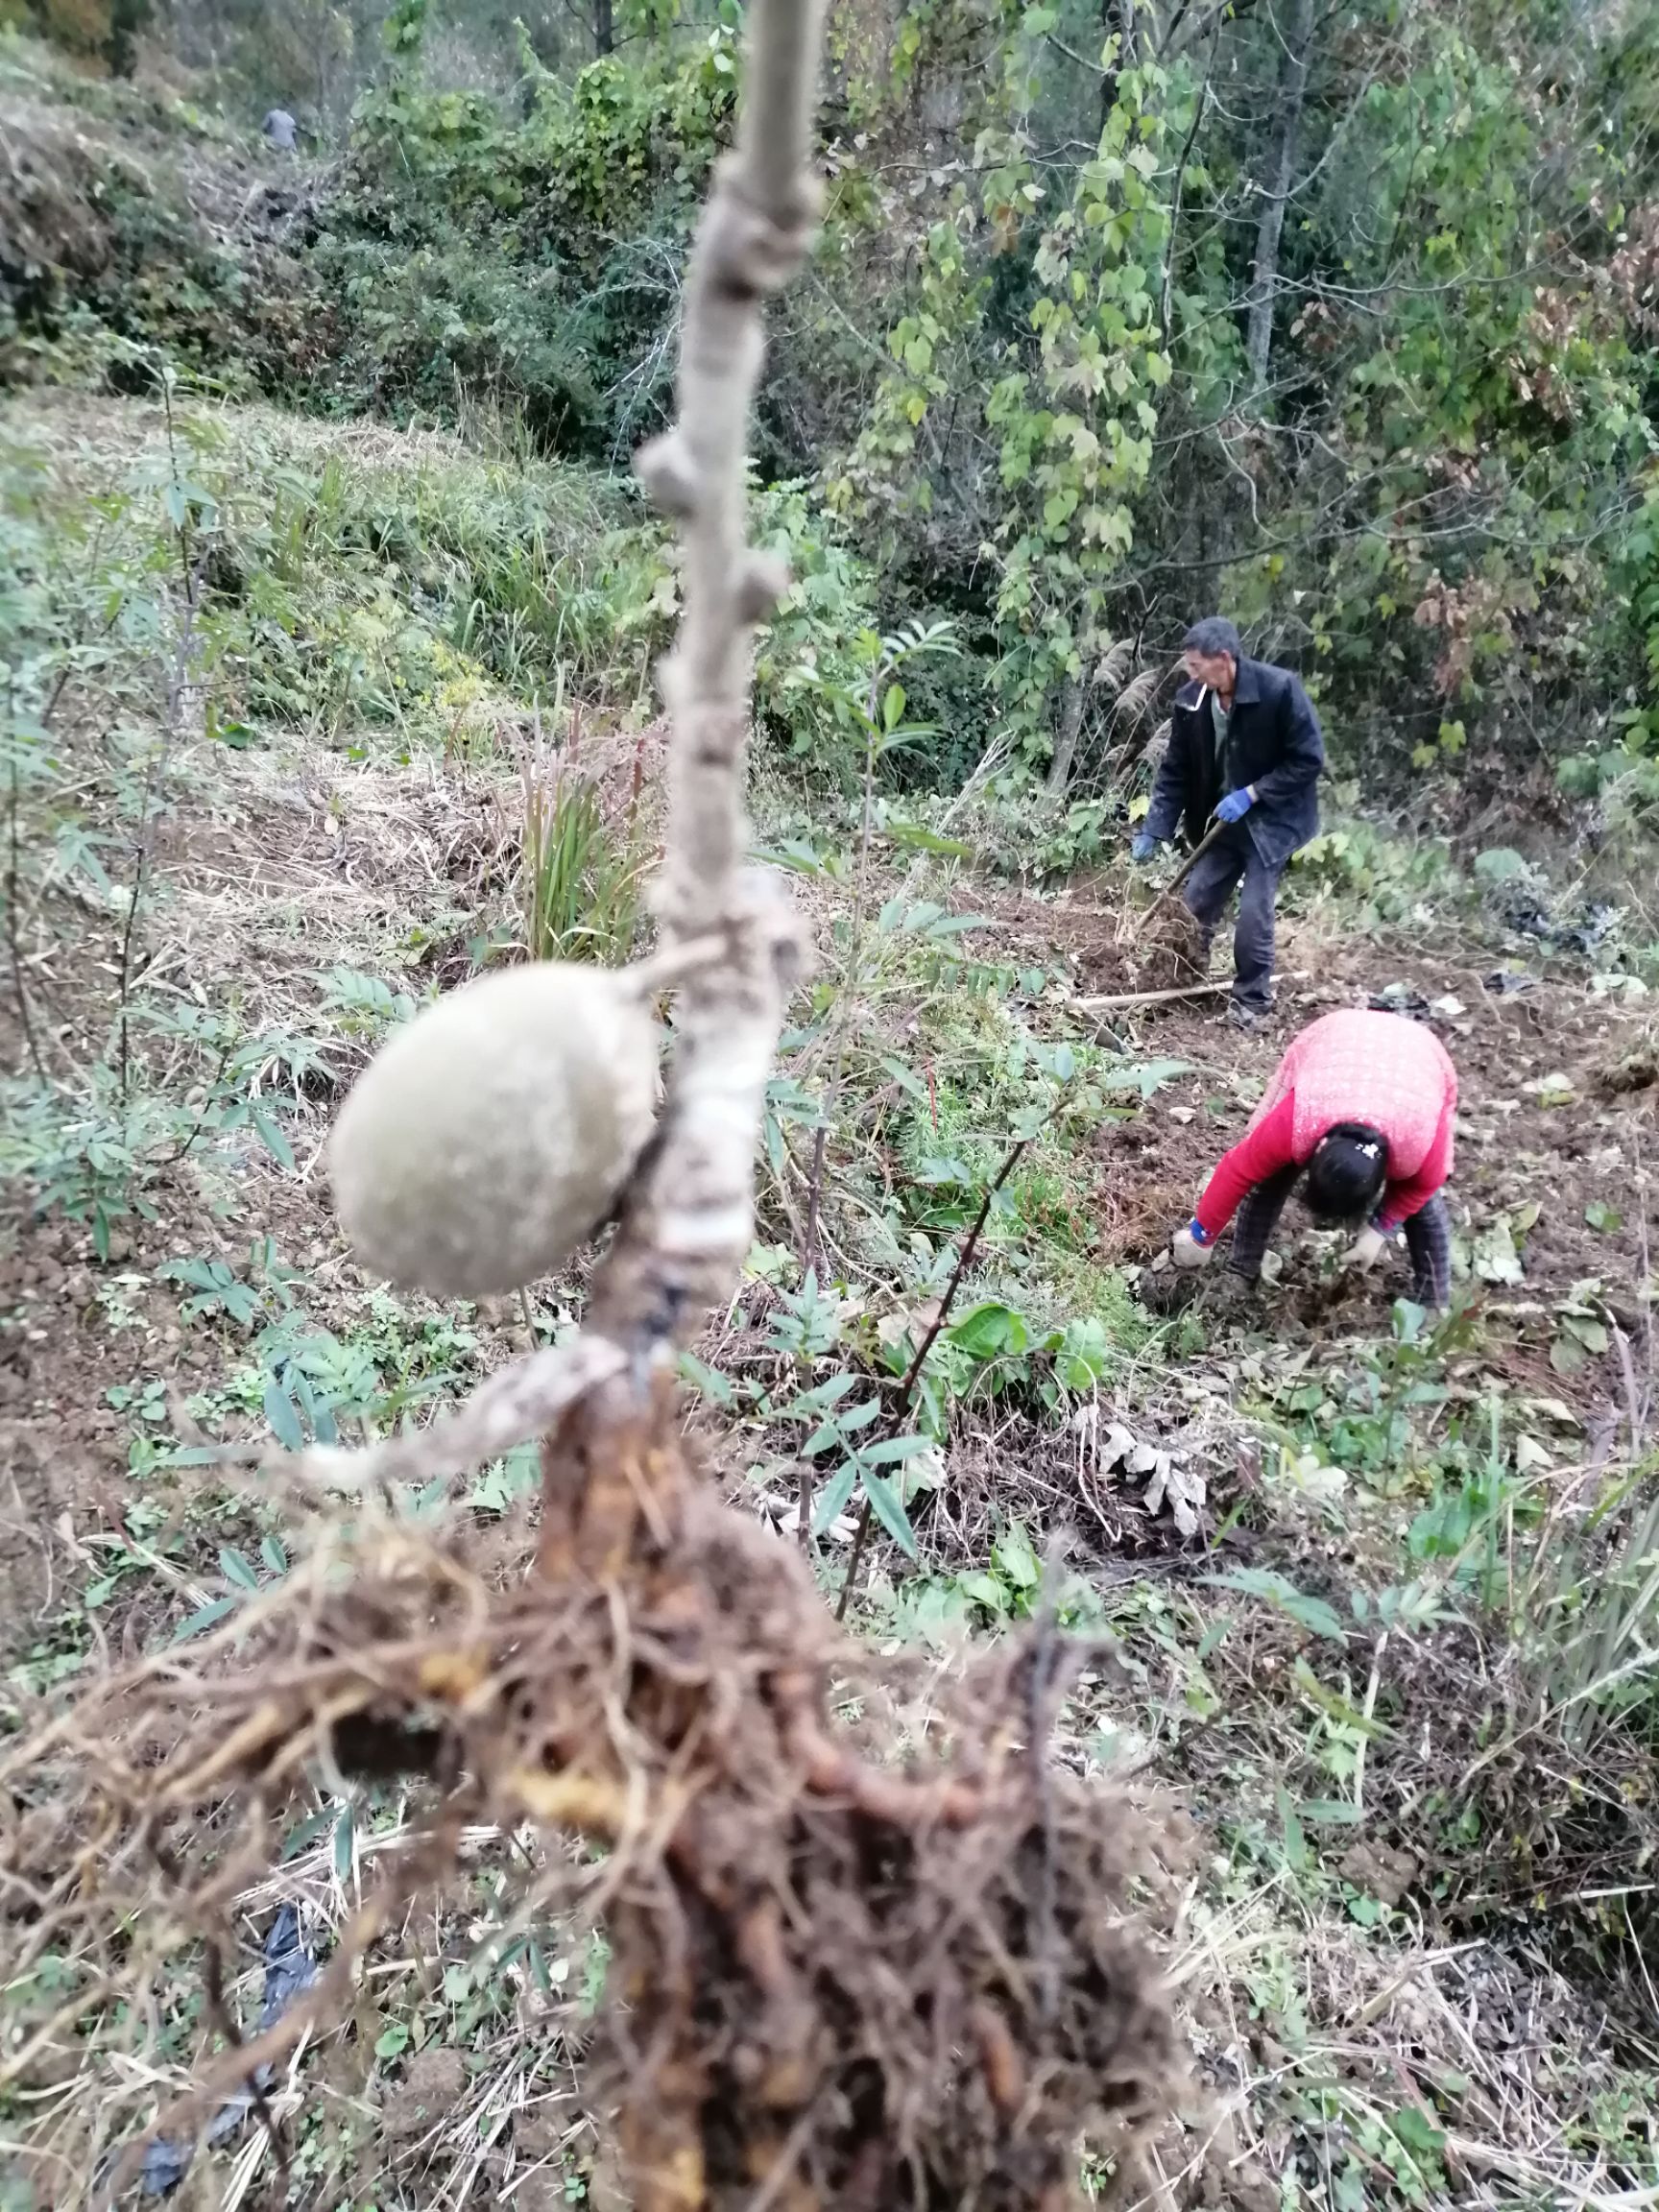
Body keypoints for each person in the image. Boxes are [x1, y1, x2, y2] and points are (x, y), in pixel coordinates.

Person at [1166, 1006, 1457, 1308]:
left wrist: (1380, 1229)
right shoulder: (1298, 1121)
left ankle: (1434, 1300)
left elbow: (1420, 1188)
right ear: (1318, 1149)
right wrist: (1200, 1238)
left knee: (1425, 1204)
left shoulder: (1420, 1148)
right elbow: (1237, 1171)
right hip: (1336, 1038)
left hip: (1422, 1062)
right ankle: (1242, 1269)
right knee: (1271, 1174)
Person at [1132, 616, 1324, 1028]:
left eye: (1197, 665)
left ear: (1224, 659)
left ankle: (1252, 1004)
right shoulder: (1192, 700)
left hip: (1271, 821)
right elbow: (1175, 768)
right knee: (1195, 900)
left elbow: (1308, 760)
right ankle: (1183, 976)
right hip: (1221, 819)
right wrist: (1155, 827)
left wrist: (1253, 792)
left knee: (1254, 913)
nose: (1190, 672)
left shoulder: (1278, 691)